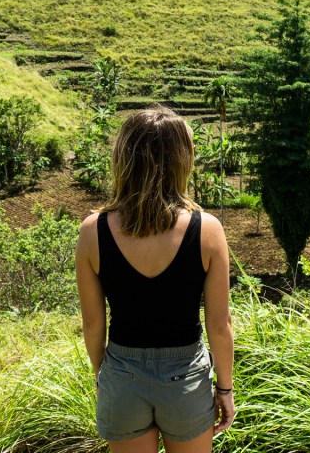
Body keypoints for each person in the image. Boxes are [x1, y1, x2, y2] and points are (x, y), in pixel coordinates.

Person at [75, 107, 236, 453]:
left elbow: (92, 324)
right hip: (186, 379)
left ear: (124, 159)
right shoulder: (207, 230)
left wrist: (104, 375)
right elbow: (219, 325)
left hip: (122, 376)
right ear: (183, 160)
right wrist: (225, 389)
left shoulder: (93, 231)